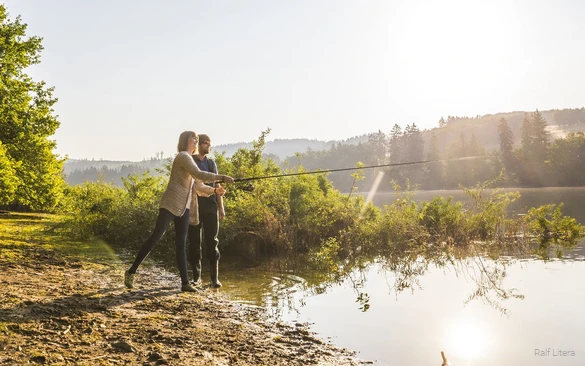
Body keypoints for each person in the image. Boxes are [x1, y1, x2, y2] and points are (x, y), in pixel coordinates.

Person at [124, 131, 234, 292]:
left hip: (184, 207)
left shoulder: (190, 160)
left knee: (181, 245)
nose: (196, 140)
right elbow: (199, 174)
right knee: (156, 236)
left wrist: (215, 191)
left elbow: (198, 185)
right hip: (170, 204)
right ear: (185, 141)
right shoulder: (183, 156)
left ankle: (185, 283)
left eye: (197, 138)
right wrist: (222, 177)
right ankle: (131, 271)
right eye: (193, 138)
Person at [188, 134, 225, 288]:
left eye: (210, 143)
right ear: (199, 145)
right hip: (195, 206)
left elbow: (217, 187)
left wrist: (221, 208)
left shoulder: (211, 163)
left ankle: (214, 279)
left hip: (211, 207)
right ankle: (197, 278)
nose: (208, 146)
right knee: (195, 243)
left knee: (212, 242)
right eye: (205, 143)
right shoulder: (190, 160)